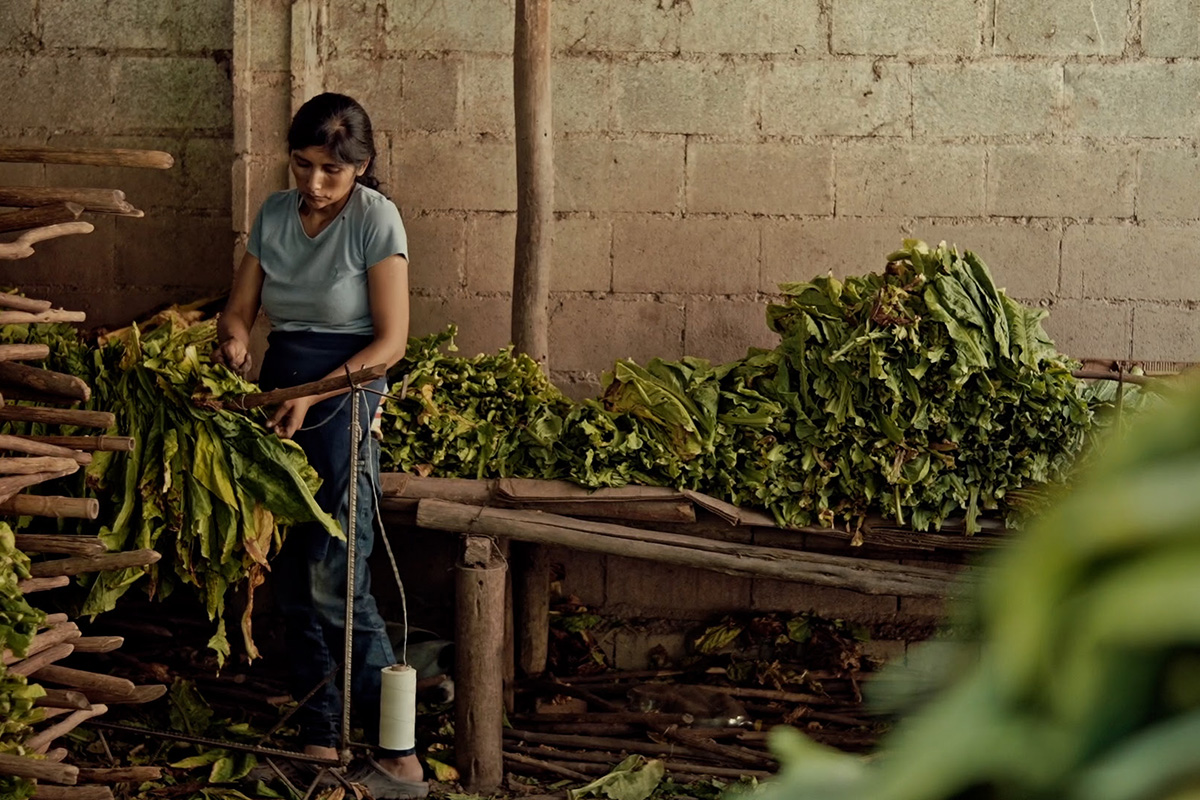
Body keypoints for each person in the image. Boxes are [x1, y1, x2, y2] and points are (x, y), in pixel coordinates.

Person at [213, 92, 425, 799]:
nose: (314, 183)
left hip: (349, 394)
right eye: (303, 165)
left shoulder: (375, 219)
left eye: (333, 169)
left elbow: (390, 344)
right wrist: (235, 340)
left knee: (338, 571)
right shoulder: (275, 213)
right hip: (279, 393)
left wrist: (316, 394)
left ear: (361, 166)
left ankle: (400, 757)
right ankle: (322, 736)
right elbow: (241, 307)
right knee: (293, 564)